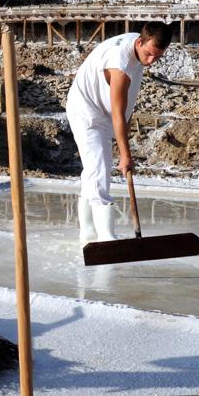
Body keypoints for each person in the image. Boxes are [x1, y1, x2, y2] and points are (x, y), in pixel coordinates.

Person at [66, 22, 171, 244]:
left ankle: (87, 233)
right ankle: (105, 237)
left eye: (157, 57)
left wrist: (124, 147)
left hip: (104, 111)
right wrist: (125, 155)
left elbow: (124, 110)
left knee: (94, 170)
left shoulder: (140, 45)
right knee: (99, 170)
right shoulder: (120, 63)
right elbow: (118, 113)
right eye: (149, 54)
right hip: (86, 110)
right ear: (140, 42)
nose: (151, 62)